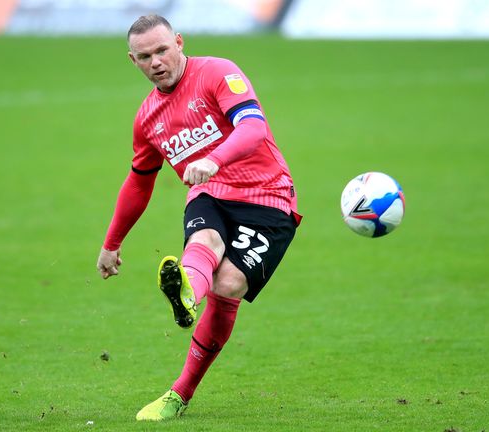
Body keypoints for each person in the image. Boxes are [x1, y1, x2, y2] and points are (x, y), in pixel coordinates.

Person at [95, 15, 301, 421]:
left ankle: (181, 392)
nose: (155, 62)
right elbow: (138, 183)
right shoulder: (148, 118)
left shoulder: (217, 73)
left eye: (161, 51)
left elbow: (254, 128)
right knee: (203, 242)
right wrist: (111, 243)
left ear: (178, 42)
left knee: (229, 283)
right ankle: (187, 290)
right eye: (144, 57)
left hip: (268, 197)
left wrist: (214, 157)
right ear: (132, 61)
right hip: (210, 193)